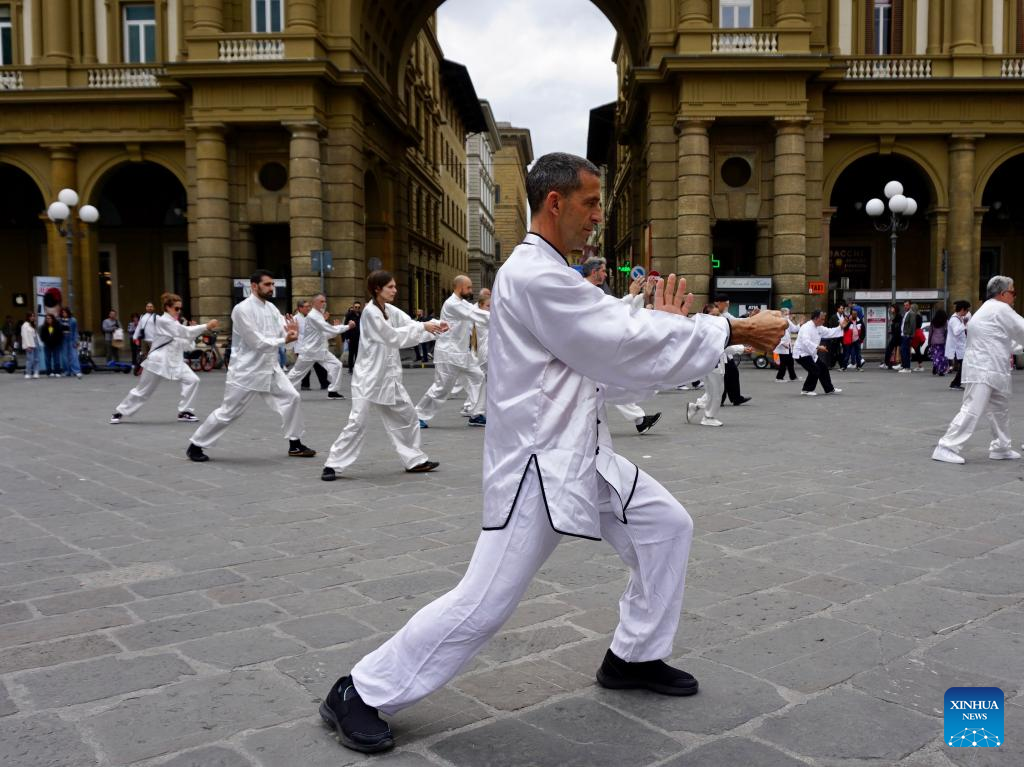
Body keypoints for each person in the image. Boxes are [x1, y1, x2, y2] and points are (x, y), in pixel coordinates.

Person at [316, 152, 788, 754]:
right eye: (591, 203)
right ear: (555, 202)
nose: (597, 216)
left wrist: (662, 322)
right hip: (540, 467)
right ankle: (361, 690)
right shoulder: (533, 274)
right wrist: (734, 330)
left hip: (583, 454)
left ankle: (634, 656)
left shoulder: (554, 274)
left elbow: (602, 343)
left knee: (667, 526)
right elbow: (613, 341)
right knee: (484, 601)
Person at [321, 271, 449, 481]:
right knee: (357, 422)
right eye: (390, 287)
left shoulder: (389, 310)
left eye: (394, 286)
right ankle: (333, 464)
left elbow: (408, 324)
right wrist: (425, 327)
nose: (395, 290)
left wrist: (434, 326)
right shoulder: (371, 313)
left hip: (389, 379)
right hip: (368, 379)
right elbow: (393, 337)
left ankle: (414, 460)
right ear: (377, 289)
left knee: (408, 416)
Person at [186, 270, 314, 462]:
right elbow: (257, 342)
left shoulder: (271, 308)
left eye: (273, 284)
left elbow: (283, 332)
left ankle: (295, 444)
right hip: (246, 371)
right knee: (229, 412)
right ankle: (195, 445)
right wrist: (284, 339)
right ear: (254, 286)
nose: (272, 288)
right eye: (267, 284)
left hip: (270, 369)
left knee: (292, 397)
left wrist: (291, 333)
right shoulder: (242, 309)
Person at [932, 276, 1024, 464]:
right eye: (1013, 292)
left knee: (999, 409)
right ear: (1003, 293)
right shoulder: (1000, 308)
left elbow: (1005, 339)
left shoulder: (989, 309)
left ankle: (1001, 447)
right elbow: (1021, 330)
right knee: (973, 408)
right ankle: (946, 446)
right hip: (984, 368)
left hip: (990, 367)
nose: (1014, 297)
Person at [110, 293, 219, 424]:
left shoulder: (175, 323)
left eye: (180, 309)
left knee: (193, 380)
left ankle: (185, 412)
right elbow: (184, 332)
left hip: (175, 362)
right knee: (143, 391)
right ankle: (120, 412)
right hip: (158, 362)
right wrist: (205, 327)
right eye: (176, 308)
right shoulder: (163, 321)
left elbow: (186, 344)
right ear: (167, 307)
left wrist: (194, 334)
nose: (179, 311)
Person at [416, 275, 490, 428]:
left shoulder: (462, 303)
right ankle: (417, 416)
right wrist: (503, 317)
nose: (471, 290)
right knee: (441, 388)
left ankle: (476, 413)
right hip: (448, 354)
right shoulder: (452, 304)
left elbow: (476, 312)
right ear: (459, 287)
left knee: (480, 378)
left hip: (462, 354)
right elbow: (477, 314)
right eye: (468, 287)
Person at [288, 294, 355, 400]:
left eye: (325, 301)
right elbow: (329, 330)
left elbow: (325, 334)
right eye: (321, 301)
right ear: (314, 303)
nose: (324, 303)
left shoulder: (319, 315)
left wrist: (336, 327)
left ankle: (333, 391)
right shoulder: (313, 316)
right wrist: (347, 326)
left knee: (337, 365)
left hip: (321, 351)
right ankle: (282, 389)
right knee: (296, 373)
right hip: (309, 351)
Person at [794, 310, 846, 396]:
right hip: (801, 353)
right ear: (816, 318)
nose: (823, 321)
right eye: (822, 319)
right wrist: (818, 347)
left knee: (823, 368)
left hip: (811, 353)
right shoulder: (806, 327)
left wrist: (840, 327)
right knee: (815, 370)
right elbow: (805, 341)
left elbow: (829, 332)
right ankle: (806, 390)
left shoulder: (819, 327)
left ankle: (829, 389)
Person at [713, 294, 750, 406]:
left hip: (724, 351)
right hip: (718, 352)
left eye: (728, 303)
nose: (727, 305)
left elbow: (736, 321)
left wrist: (750, 318)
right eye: (726, 303)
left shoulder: (725, 314)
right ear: (719, 303)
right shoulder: (717, 315)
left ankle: (735, 397)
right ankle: (721, 399)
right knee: (723, 376)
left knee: (731, 372)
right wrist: (742, 349)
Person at [945, 301, 970, 389]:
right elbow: (956, 331)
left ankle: (956, 383)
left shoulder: (959, 318)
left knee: (963, 366)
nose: (967, 312)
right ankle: (955, 383)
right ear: (962, 309)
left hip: (961, 347)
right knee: (963, 366)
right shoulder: (954, 319)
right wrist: (964, 324)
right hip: (957, 348)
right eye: (966, 310)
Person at [774, 308, 800, 382]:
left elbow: (794, 329)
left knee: (790, 362)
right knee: (784, 363)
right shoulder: (778, 322)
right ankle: (779, 377)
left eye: (788, 314)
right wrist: (782, 343)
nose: (787, 316)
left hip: (788, 345)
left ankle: (793, 377)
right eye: (786, 314)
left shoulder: (787, 321)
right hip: (782, 346)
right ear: (781, 314)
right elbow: (775, 334)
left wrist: (799, 324)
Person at [133, 302, 157, 366]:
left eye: (151, 306)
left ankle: (153, 368)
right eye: (148, 306)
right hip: (144, 339)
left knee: (153, 355)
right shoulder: (142, 316)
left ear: (153, 308)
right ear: (146, 308)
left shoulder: (156, 317)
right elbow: (139, 327)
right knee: (144, 355)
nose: (149, 308)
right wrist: (135, 337)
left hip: (153, 340)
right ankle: (145, 369)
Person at [928, 308, 949, 376]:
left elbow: (930, 332)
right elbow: (946, 332)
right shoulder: (945, 322)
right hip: (942, 341)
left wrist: (929, 341)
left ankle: (936, 366)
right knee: (941, 356)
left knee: (935, 355)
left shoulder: (933, 322)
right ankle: (941, 370)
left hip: (934, 341)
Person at [344, 302, 363, 373]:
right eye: (356, 307)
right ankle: (350, 368)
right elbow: (345, 326)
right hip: (351, 337)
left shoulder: (361, 315)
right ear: (353, 307)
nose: (357, 308)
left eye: (358, 307)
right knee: (351, 353)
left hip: (359, 337)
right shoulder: (349, 315)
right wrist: (347, 337)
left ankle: (357, 368)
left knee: (358, 353)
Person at [881, 304, 901, 369]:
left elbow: (897, 326)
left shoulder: (898, 316)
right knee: (891, 350)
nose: (891, 309)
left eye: (892, 308)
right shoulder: (894, 316)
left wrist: (893, 327)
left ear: (895, 309)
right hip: (895, 335)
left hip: (896, 336)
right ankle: (889, 363)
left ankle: (887, 363)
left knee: (889, 349)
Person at [898, 300, 916, 372]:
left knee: (904, 351)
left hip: (907, 335)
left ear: (910, 305)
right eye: (904, 305)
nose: (905, 306)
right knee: (903, 351)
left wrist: (911, 335)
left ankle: (906, 367)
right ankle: (905, 366)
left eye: (907, 305)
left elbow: (912, 325)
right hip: (903, 335)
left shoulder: (911, 313)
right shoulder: (906, 313)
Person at [21, 313, 39, 379]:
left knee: (36, 359)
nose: (32, 317)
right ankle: (28, 373)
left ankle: (36, 372)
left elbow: (35, 335)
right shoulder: (24, 325)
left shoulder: (32, 324)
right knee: (30, 359)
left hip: (35, 342)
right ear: (28, 317)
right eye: (31, 316)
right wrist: (27, 346)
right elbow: (24, 336)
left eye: (33, 316)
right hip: (29, 343)